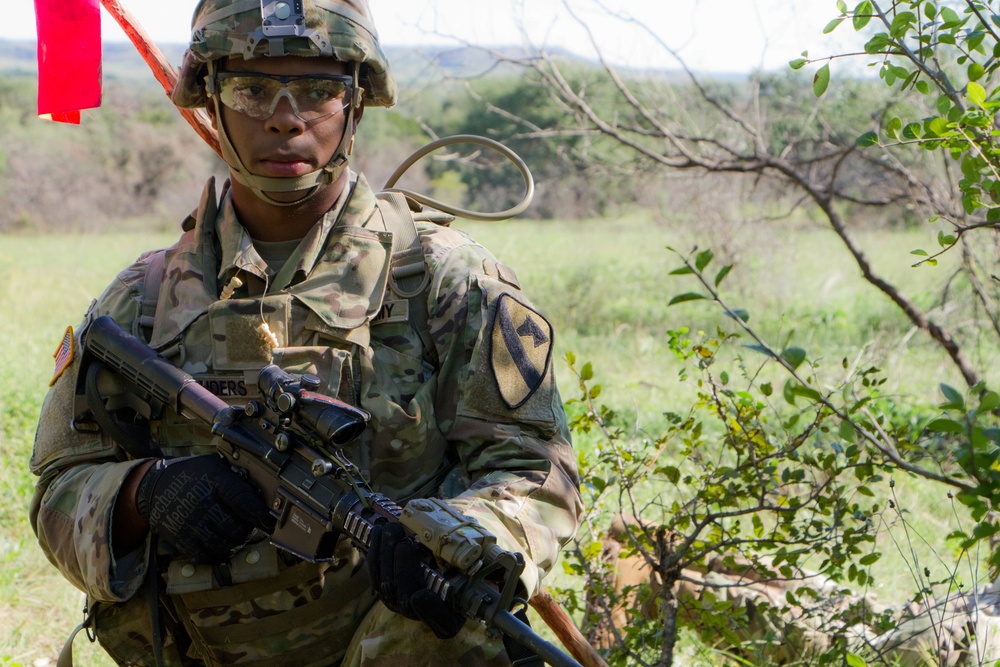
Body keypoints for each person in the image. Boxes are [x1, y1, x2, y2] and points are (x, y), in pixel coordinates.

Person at [28, 1, 582, 665]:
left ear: (355, 104)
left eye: (319, 90)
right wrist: (143, 494)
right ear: (210, 101)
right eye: (251, 88)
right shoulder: (140, 302)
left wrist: (463, 538)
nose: (285, 116)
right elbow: (59, 489)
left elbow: (536, 471)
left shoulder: (442, 279)